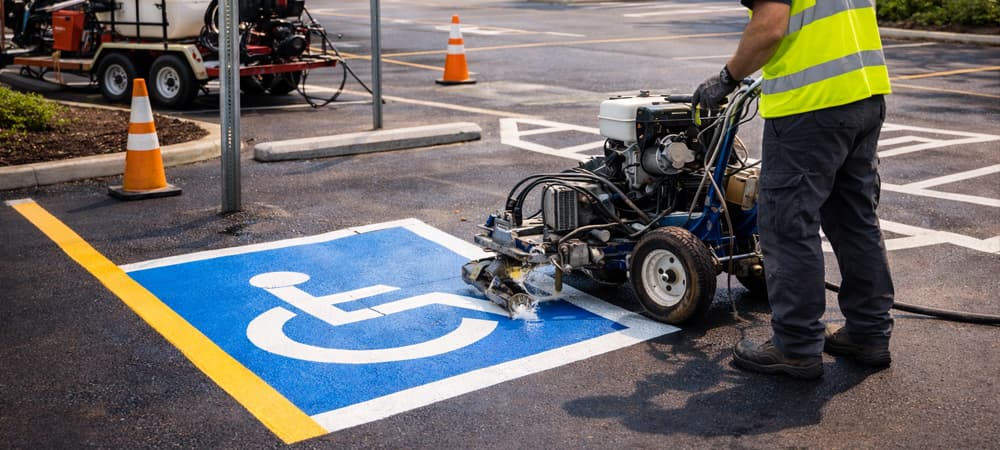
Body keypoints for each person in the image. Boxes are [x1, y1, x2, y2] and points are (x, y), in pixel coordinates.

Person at [692, 0, 896, 379]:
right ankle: (869, 334)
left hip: (811, 107)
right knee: (855, 221)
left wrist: (727, 77)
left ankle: (796, 346)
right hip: (863, 95)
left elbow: (770, 26)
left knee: (787, 226)